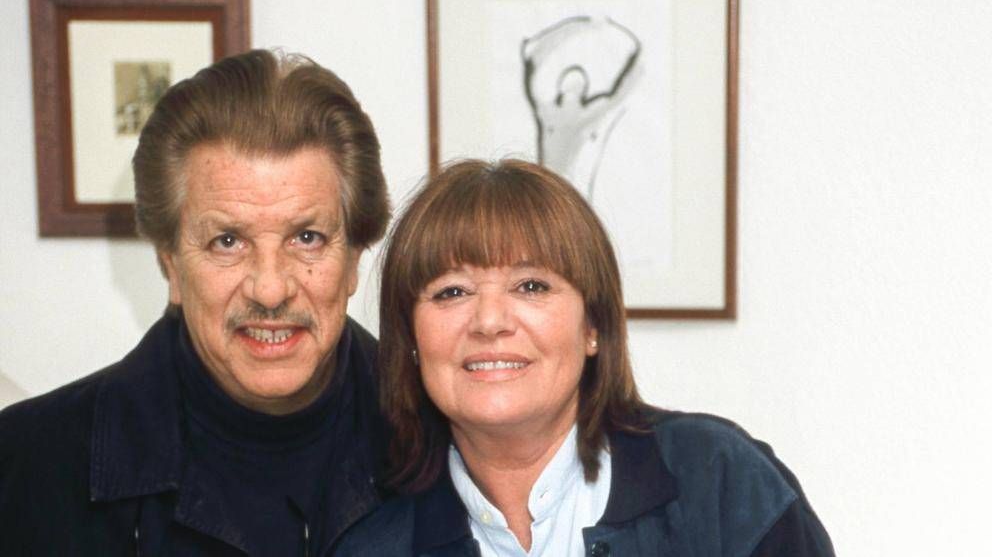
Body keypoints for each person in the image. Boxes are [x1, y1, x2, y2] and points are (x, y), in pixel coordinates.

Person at [335, 159, 834, 556]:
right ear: (411, 337)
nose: (489, 321)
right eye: (452, 292)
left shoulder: (719, 482)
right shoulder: (374, 544)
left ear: (593, 326)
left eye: (531, 286)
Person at [0, 49, 390, 555]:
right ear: (171, 265)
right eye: (227, 241)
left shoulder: (448, 442)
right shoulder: (27, 466)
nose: (270, 290)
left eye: (307, 238)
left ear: (354, 258)